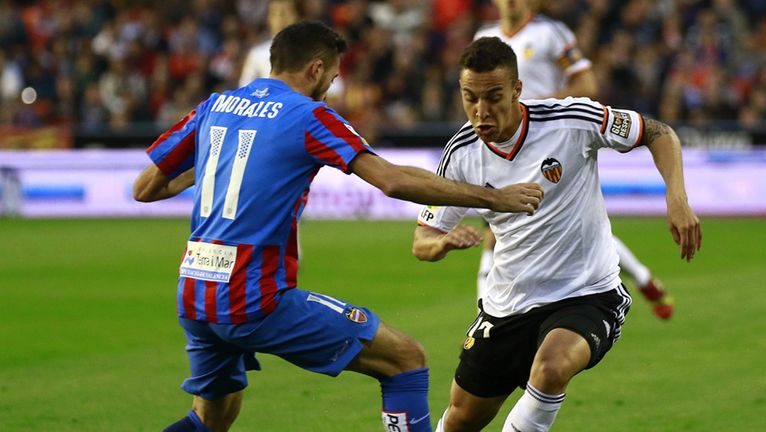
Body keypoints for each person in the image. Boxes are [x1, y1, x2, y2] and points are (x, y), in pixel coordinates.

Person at [133, 21, 544, 432]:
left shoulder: (215, 105)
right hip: (251, 295)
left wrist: (207, 167)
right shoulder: (309, 115)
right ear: (315, 69)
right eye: (330, 77)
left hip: (195, 289)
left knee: (212, 416)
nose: (330, 87)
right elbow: (392, 180)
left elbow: (145, 188)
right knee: (405, 360)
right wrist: (493, 197)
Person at [412, 37, 701, 432]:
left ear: (517, 90)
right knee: (461, 420)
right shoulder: (460, 153)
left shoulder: (570, 120)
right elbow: (421, 241)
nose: (481, 112)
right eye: (469, 98)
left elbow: (657, 131)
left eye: (493, 96)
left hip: (587, 293)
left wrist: (677, 198)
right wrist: (443, 241)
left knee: (551, 368)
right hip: (507, 307)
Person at [473, 0, 673, 319]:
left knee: (513, 230)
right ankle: (645, 279)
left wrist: (535, 107)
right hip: (502, 145)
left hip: (548, 143)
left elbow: (586, 84)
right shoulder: (484, 37)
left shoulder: (551, 33)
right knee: (503, 229)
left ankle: (485, 317)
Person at [239, 0, 299, 86]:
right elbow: (244, 89)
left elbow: (323, 91)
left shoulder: (310, 53)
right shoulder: (257, 54)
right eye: (276, 13)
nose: (281, 18)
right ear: (268, 18)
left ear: (296, 16)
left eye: (287, 12)